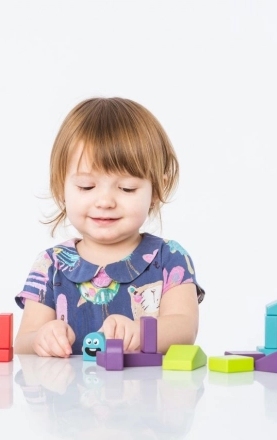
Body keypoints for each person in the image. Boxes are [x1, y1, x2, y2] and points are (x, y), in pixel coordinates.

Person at [13, 97, 205, 358]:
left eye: (127, 188)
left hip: (148, 397)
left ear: (156, 191)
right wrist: (42, 339)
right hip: (69, 397)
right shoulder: (50, 266)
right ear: (61, 187)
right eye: (86, 187)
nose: (105, 202)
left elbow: (185, 328)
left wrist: (140, 333)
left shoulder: (170, 259)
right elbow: (23, 341)